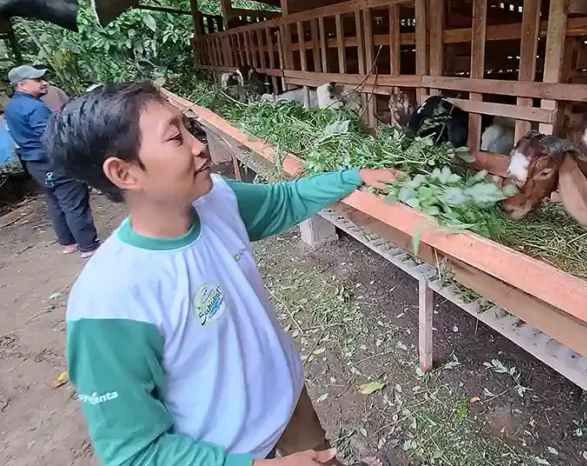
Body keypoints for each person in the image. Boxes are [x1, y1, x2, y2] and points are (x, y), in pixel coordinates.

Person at [45, 81, 398, 466]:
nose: (198, 145)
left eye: (189, 128)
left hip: (286, 401)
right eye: (175, 138)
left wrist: (355, 177)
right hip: (226, 451)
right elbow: (135, 454)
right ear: (124, 173)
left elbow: (286, 200)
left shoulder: (218, 200)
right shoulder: (109, 301)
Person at [5, 64, 99, 257]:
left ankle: (68, 243)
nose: (44, 83)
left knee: (56, 201)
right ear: (21, 85)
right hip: (50, 160)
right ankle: (88, 245)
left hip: (35, 164)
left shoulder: (12, 106)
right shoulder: (34, 107)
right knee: (73, 199)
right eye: (38, 80)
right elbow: (48, 136)